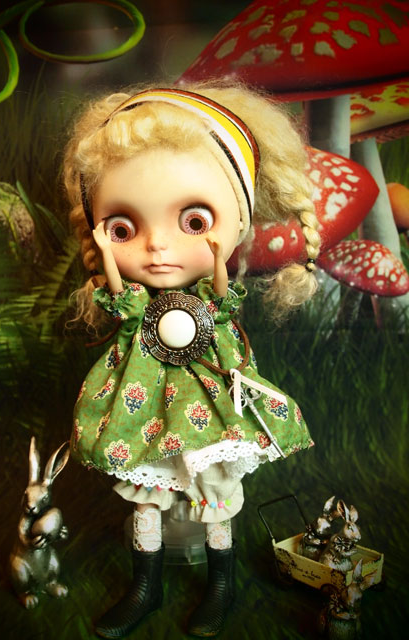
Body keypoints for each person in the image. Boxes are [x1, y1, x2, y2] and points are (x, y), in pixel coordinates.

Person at [63, 84, 321, 638]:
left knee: (215, 495)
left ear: (238, 220)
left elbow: (223, 295)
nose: (157, 247)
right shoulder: (136, 307)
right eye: (124, 228)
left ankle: (220, 586)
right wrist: (108, 255)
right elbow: (120, 297)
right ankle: (145, 587)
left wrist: (217, 261)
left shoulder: (211, 304)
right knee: (147, 502)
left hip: (208, 412)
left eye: (195, 221)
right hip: (144, 414)